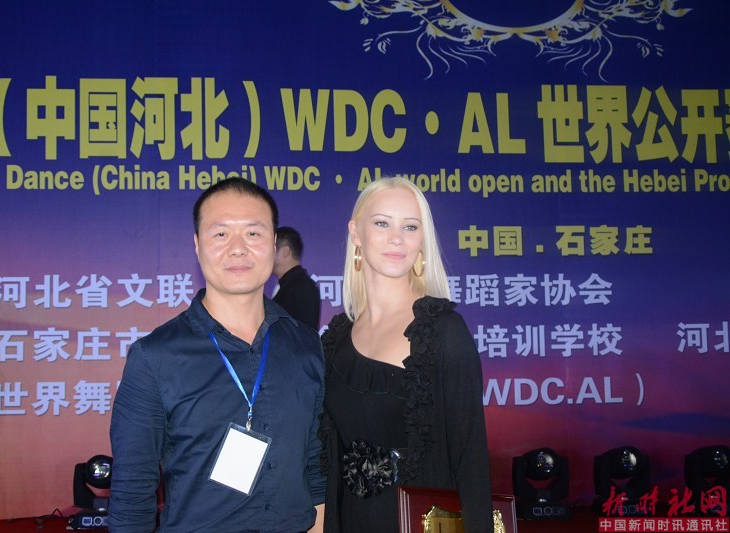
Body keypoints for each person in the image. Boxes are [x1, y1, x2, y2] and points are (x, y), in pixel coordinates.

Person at [109, 178, 326, 533]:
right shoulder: (154, 357)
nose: (238, 249)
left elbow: (315, 470)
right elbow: (132, 495)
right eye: (221, 234)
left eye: (253, 233)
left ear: (273, 244)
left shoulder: (306, 347)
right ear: (197, 245)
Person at [319, 177, 493, 532]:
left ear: (422, 240)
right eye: (382, 223)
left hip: (419, 521)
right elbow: (327, 458)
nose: (397, 237)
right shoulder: (336, 339)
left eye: (410, 227)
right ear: (356, 233)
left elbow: (471, 462)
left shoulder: (443, 332)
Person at [273, 226, 321, 330]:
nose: (266, 255)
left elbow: (305, 334)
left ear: (285, 251)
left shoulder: (303, 287)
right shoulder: (288, 285)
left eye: (272, 249)